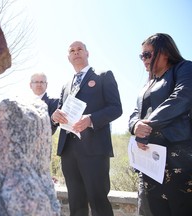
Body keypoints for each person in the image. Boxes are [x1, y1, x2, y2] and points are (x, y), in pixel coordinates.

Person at [51, 41, 122, 216]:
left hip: (94, 149)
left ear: (87, 53)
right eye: (72, 51)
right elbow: (60, 110)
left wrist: (91, 119)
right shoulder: (66, 85)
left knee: (98, 201)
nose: (76, 52)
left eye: (79, 49)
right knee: (76, 203)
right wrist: (54, 117)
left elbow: (116, 108)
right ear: (68, 57)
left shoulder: (103, 76)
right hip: (68, 150)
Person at [128, 33, 192, 216]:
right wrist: (135, 126)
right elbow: (135, 113)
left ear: (164, 52)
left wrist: (147, 126)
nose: (144, 60)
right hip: (148, 160)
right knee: (149, 210)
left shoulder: (184, 68)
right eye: (141, 56)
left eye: (147, 54)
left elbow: (182, 97)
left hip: (177, 157)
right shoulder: (147, 85)